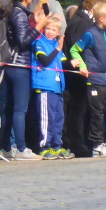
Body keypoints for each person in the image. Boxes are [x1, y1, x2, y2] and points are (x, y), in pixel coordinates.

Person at [1, 0, 50, 161]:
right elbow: (23, 42)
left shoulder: (15, 11)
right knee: (20, 109)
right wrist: (39, 26)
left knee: (9, 109)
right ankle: (21, 148)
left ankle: (6, 147)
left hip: (11, 65)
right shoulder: (19, 13)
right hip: (19, 65)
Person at [70, 2, 106, 158]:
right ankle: (97, 144)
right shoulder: (90, 34)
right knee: (96, 114)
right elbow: (74, 50)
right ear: (101, 18)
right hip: (95, 79)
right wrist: (82, 66)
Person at [31, 16, 76, 159]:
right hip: (45, 86)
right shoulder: (39, 43)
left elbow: (63, 63)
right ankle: (45, 146)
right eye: (48, 28)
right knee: (47, 118)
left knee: (58, 118)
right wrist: (58, 49)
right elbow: (44, 60)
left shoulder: (57, 46)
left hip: (57, 87)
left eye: (53, 30)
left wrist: (73, 63)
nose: (50, 32)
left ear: (58, 33)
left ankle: (57, 146)